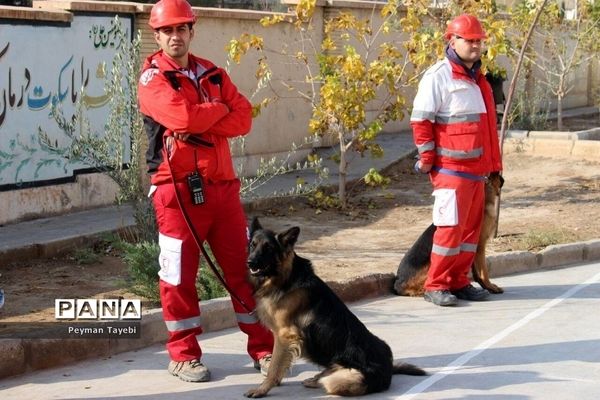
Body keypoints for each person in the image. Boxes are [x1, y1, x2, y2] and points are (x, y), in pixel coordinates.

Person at [137, 0, 273, 382]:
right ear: (157, 34)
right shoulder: (152, 79)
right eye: (167, 30)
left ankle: (264, 349)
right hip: (175, 193)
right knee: (178, 276)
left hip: (223, 191)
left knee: (246, 272)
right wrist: (216, 111)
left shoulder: (213, 73)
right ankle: (183, 355)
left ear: (191, 31)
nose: (175, 36)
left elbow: (244, 117)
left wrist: (200, 115)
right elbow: (179, 116)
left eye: (182, 28)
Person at [410, 14, 503, 307]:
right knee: (450, 230)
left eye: (479, 41)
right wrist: (427, 157)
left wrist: (494, 167)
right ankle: (435, 285)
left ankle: (459, 281)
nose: (476, 46)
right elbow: (421, 120)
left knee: (469, 233)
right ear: (452, 40)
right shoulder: (438, 77)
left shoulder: (480, 81)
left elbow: (488, 130)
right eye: (469, 40)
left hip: (478, 173)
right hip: (451, 171)